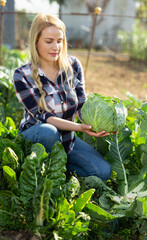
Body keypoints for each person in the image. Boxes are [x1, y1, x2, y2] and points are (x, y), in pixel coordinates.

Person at [13, 13, 114, 181]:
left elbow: (82, 104)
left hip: (67, 140)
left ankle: (60, 169)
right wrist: (79, 128)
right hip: (37, 136)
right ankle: (34, 165)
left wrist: (98, 124)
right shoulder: (22, 75)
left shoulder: (73, 65)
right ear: (35, 42)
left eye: (59, 41)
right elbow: (44, 117)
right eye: (49, 41)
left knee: (102, 172)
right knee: (48, 132)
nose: (56, 47)